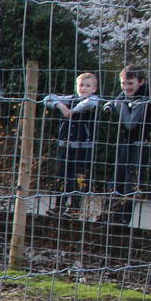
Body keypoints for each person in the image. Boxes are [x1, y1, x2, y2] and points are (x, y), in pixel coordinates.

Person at [102, 66, 151, 223]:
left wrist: (119, 104)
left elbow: (131, 123)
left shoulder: (145, 97)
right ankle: (107, 214)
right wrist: (112, 104)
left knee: (131, 181)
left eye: (130, 83)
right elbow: (115, 101)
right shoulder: (124, 96)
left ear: (141, 82)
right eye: (123, 83)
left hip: (141, 143)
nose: (126, 87)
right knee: (116, 179)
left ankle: (123, 219)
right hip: (125, 142)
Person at [42, 72, 100, 215]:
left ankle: (75, 208)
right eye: (81, 85)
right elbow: (48, 98)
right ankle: (59, 206)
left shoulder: (93, 100)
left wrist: (73, 111)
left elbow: (89, 103)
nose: (84, 88)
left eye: (88, 86)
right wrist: (61, 106)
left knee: (79, 176)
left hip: (83, 146)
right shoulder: (69, 99)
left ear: (94, 89)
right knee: (62, 175)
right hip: (65, 145)